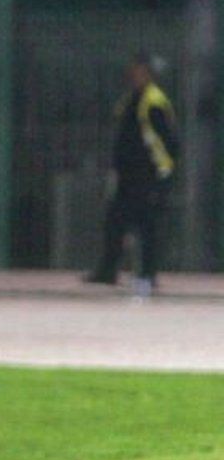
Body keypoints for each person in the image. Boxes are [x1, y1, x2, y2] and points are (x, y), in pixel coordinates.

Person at [85, 52, 178, 296]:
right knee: (115, 220)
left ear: (146, 72)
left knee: (147, 225)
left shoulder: (153, 102)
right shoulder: (130, 100)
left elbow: (168, 142)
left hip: (148, 175)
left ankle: (148, 274)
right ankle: (107, 270)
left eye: (137, 70)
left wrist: (163, 176)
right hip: (128, 174)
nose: (132, 75)